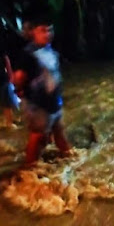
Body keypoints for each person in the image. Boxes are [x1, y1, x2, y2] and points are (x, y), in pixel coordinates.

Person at [13, 16, 73, 164]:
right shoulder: (27, 53)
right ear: (33, 32)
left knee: (59, 132)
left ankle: (70, 159)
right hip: (38, 105)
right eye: (43, 31)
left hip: (54, 102)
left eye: (49, 30)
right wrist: (20, 91)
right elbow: (18, 77)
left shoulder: (50, 50)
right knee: (37, 136)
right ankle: (29, 170)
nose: (47, 34)